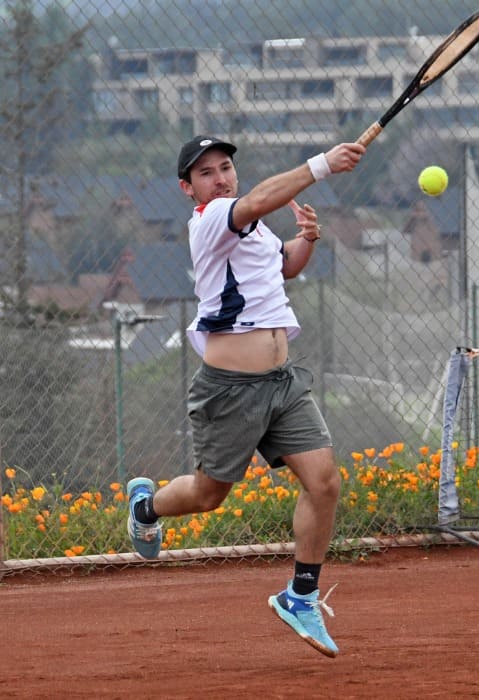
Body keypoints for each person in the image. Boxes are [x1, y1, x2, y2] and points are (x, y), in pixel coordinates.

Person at [126, 135, 365, 658]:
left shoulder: (251, 228)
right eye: (206, 173)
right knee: (210, 495)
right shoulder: (211, 219)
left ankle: (300, 596)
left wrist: (307, 239)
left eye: (226, 167)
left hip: (283, 382)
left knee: (324, 483)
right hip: (230, 391)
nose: (221, 177)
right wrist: (323, 164)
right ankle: (146, 507)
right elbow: (258, 200)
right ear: (189, 189)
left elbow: (283, 267)